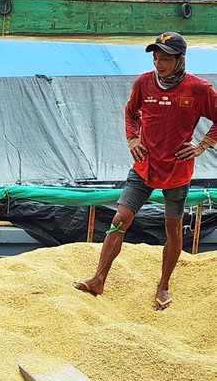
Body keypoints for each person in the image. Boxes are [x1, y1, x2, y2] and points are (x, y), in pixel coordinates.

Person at [74, 31, 217, 310]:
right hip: (144, 166)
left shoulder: (199, 89)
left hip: (177, 168)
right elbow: (131, 111)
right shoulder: (143, 83)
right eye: (156, 57)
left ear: (180, 59)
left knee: (173, 229)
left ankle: (163, 286)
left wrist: (202, 145)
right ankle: (98, 279)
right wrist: (133, 139)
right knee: (119, 218)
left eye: (165, 58)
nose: (158, 63)